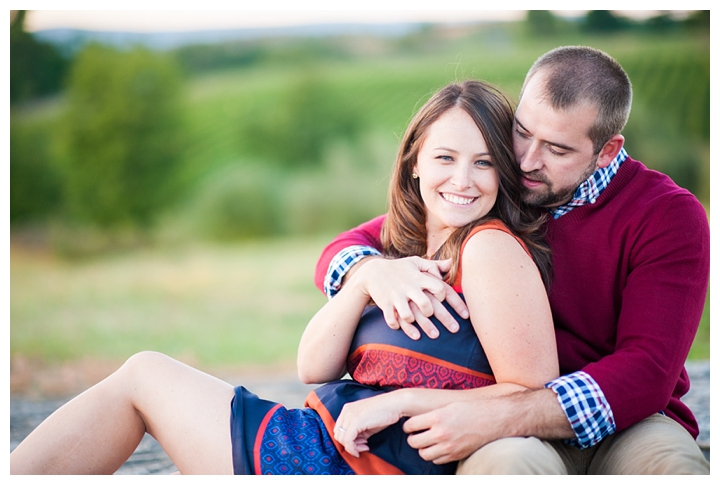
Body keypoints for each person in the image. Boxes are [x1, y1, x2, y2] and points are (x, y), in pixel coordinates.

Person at [10, 80, 559, 475]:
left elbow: (531, 393)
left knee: (143, 377)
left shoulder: (487, 248)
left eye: (484, 162)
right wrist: (367, 279)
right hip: (323, 443)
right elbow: (311, 365)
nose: (462, 179)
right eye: (445, 158)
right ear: (414, 164)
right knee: (142, 376)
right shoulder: (402, 250)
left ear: (503, 174)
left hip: (360, 462)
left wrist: (398, 403)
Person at [314, 45, 710, 474]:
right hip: (513, 434)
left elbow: (647, 372)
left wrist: (498, 413)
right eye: (522, 131)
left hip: (628, 423)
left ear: (607, 151)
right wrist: (371, 271)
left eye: (557, 150)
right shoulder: (493, 191)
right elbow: (352, 244)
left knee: (674, 469)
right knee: (507, 468)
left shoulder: (667, 214)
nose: (525, 161)